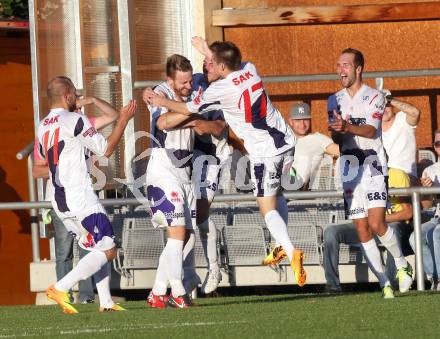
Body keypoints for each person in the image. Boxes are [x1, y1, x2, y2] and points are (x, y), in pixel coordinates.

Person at [143, 39, 307, 287]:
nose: (206, 67)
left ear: (219, 66)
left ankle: (291, 250)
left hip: (265, 152)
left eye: (210, 63)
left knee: (266, 206)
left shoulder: (218, 90)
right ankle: (279, 245)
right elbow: (226, 64)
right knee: (277, 195)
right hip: (286, 142)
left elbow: (189, 109)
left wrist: (161, 102)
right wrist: (209, 51)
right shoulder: (249, 70)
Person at [35, 76, 136, 313]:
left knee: (96, 246)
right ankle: (61, 287)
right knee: (109, 247)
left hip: (58, 199)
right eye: (75, 95)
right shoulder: (74, 119)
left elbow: (44, 156)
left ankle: (106, 302)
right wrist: (123, 120)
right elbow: (106, 150)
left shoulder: (43, 125)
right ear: (68, 96)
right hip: (79, 196)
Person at [328, 48, 413, 298]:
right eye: (338, 64)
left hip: (373, 165)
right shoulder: (334, 99)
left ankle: (401, 263)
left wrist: (346, 125)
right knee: (363, 228)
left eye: (346, 64)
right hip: (349, 167)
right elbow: (336, 134)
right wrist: (336, 130)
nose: (341, 69)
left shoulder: (375, 96)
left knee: (377, 223)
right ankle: (384, 282)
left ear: (358, 69)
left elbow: (370, 131)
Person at [143, 54, 197, 309]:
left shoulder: (190, 91)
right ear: (169, 80)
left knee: (182, 235)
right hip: (163, 168)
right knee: (176, 231)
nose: (188, 86)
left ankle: (156, 292)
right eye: (183, 83)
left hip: (183, 170)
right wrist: (191, 112)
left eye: (190, 81)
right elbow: (163, 122)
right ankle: (178, 291)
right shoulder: (159, 92)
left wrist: (188, 108)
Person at [409, 130, 440, 290]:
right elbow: (427, 206)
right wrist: (425, 190)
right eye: (438, 144)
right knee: (415, 238)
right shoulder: (430, 171)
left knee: (436, 234)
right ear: (435, 147)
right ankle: (433, 277)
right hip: (437, 216)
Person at [287, 102, 339, 190]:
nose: (302, 124)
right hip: (276, 188)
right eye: (298, 120)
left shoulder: (318, 139)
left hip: (295, 191)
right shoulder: (282, 140)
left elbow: (343, 152)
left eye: (305, 119)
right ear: (291, 121)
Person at [381, 89, 420, 183]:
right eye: (379, 105)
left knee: (396, 176)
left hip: (406, 177)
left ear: (393, 105)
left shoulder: (402, 119)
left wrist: (388, 99)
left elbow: (415, 113)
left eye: (387, 105)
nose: (383, 109)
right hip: (382, 179)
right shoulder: (372, 129)